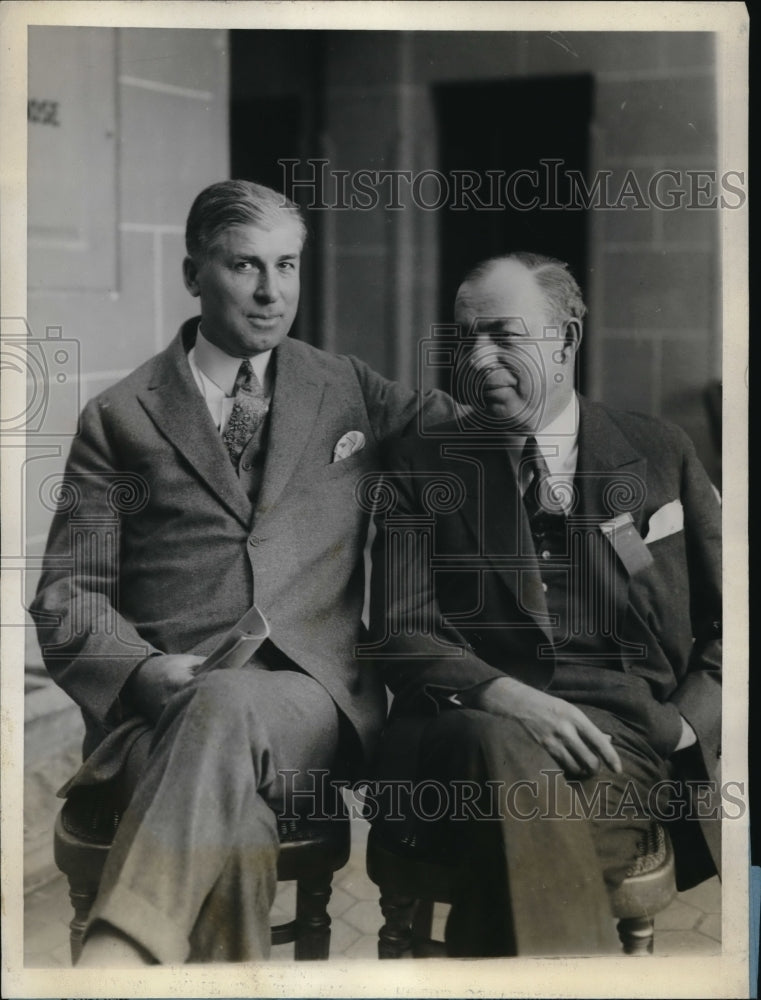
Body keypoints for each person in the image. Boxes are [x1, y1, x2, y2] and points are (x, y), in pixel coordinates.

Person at [31, 179, 453, 965]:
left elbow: (467, 435)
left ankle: (114, 957)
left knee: (225, 701)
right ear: (194, 275)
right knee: (237, 830)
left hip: (308, 702)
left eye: (287, 266)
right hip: (160, 717)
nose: (271, 293)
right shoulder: (121, 417)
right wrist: (145, 671)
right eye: (244, 266)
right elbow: (66, 595)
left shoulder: (347, 388)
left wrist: (614, 455)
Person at [368, 251, 721, 957]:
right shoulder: (424, 459)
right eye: (465, 337)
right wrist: (508, 699)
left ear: (564, 337)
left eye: (502, 332)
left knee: (520, 828)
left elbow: (738, 611)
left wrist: (683, 723)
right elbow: (400, 632)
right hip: (465, 725)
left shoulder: (657, 450)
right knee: (502, 761)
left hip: (618, 743)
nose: (477, 356)